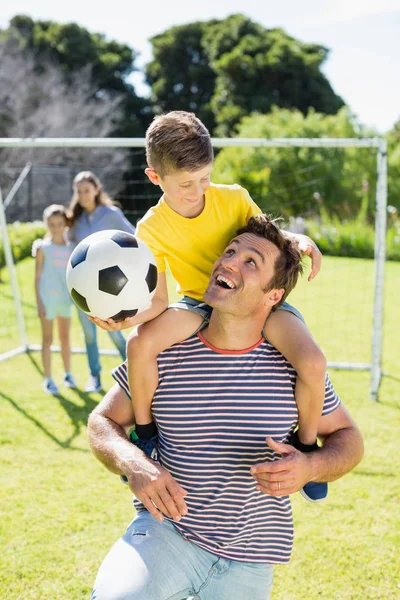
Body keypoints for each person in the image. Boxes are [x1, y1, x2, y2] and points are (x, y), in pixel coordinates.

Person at [88, 215, 364, 600]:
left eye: (251, 262)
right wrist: (135, 464)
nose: (230, 262)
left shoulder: (294, 366)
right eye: (230, 252)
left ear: (273, 297)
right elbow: (101, 422)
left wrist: (311, 466)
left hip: (251, 559)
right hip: (167, 533)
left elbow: (349, 439)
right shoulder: (162, 351)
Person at [93, 111, 327, 501]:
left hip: (256, 301)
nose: (198, 190)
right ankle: (147, 434)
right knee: (138, 344)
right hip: (198, 302)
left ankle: (304, 445)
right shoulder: (151, 228)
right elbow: (160, 300)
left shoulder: (232, 197)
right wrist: (126, 320)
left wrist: (294, 238)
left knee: (314, 363)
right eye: (185, 184)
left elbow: (265, 235)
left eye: (204, 177)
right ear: (155, 178)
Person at [68, 171, 135, 393]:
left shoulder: (111, 214)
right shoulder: (75, 219)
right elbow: (69, 247)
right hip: (83, 288)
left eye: (86, 190)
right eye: (78, 191)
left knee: (114, 331)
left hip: (109, 288)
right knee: (88, 333)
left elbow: (133, 237)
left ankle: (134, 369)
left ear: (96, 190)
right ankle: (94, 376)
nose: (83, 195)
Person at [33, 204, 76, 395]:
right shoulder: (43, 248)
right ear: (47, 225)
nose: (56, 227)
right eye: (52, 224)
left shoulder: (71, 248)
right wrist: (39, 303)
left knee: (65, 338)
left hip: (64, 299)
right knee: (47, 339)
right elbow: (37, 277)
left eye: (59, 223)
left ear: (65, 224)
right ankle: (48, 379)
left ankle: (68, 374)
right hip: (47, 299)